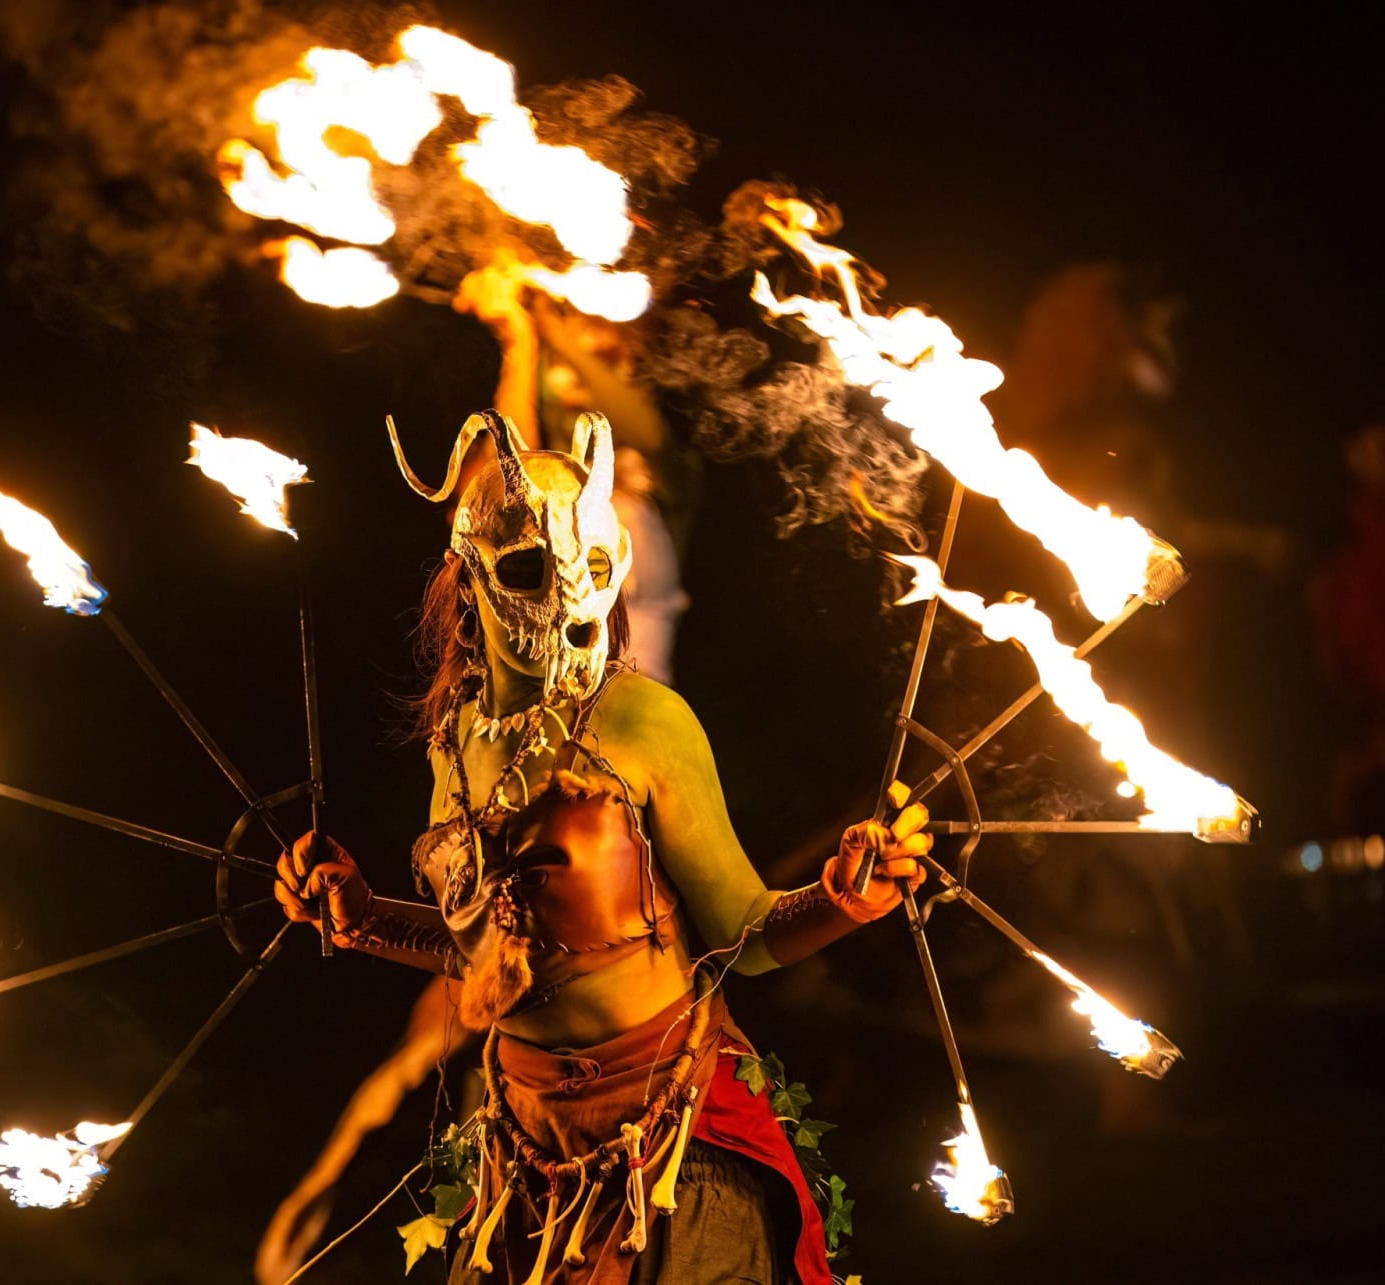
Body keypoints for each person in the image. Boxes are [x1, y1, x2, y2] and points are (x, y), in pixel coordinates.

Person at [275, 409, 928, 1283]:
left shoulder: (642, 721)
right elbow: (485, 956)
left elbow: (747, 933)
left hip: (673, 1152)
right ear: (468, 576)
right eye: (529, 568)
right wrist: (362, 918)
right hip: (522, 1150)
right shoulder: (453, 743)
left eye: (587, 566)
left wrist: (843, 894)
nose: (566, 596)